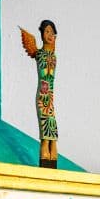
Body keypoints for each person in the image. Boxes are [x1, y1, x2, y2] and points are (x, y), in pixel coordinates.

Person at [19, 20, 59, 167]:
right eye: (46, 31)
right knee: (45, 118)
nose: (49, 34)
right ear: (42, 35)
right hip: (43, 93)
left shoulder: (53, 57)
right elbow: (45, 73)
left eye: (51, 32)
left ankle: (53, 147)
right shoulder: (41, 54)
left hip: (50, 94)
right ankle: (45, 148)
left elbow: (51, 75)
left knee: (52, 120)